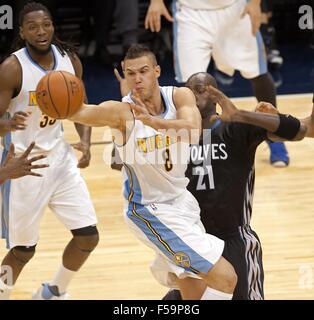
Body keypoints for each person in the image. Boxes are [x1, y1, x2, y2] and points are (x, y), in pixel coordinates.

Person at [68, 44, 304, 299]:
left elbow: (192, 133)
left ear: (157, 71)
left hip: (185, 206)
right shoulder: (122, 112)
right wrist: (57, 103)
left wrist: (154, 122)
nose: (137, 79)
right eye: (131, 74)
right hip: (151, 208)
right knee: (226, 279)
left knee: (196, 291)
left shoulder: (182, 98)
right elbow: (84, 112)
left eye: (143, 71)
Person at [0, 2, 99, 300]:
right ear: (22, 32)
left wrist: (86, 141)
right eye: (32, 26)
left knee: (88, 237)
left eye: (45, 24)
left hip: (60, 158)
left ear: (53, 25)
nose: (40, 31)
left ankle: (54, 291)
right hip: (24, 165)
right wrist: (5, 123)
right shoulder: (11, 69)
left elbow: (81, 107)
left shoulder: (69, 61)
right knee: (22, 251)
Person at [144, 0, 290, 167]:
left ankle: (274, 134)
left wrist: (255, 2)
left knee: (257, 73)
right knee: (190, 85)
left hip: (235, 9)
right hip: (190, 12)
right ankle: (195, 145)